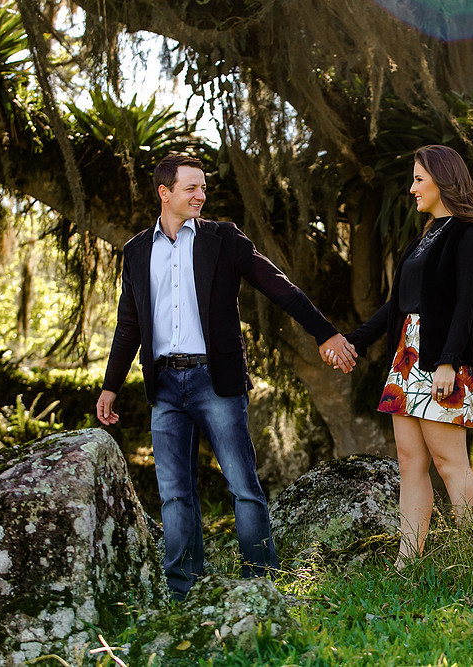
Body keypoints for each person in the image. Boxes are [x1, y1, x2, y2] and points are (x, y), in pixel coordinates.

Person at [96, 153, 357, 599]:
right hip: (162, 385)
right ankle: (184, 591)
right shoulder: (137, 250)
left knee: (243, 486)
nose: (201, 196)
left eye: (203, 188)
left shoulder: (223, 239)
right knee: (175, 496)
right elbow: (129, 324)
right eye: (191, 188)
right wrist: (110, 386)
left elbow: (279, 287)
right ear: (165, 193)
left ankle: (262, 584)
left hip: (214, 381)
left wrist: (325, 333)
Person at [341, 145, 473, 568]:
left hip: (440, 359)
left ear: (443, 181)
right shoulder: (426, 234)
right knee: (410, 461)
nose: (412, 188)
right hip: (406, 355)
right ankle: (407, 564)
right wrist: (356, 340)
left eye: (418, 180)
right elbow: (398, 304)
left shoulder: (468, 233)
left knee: (450, 463)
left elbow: (467, 305)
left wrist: (449, 361)